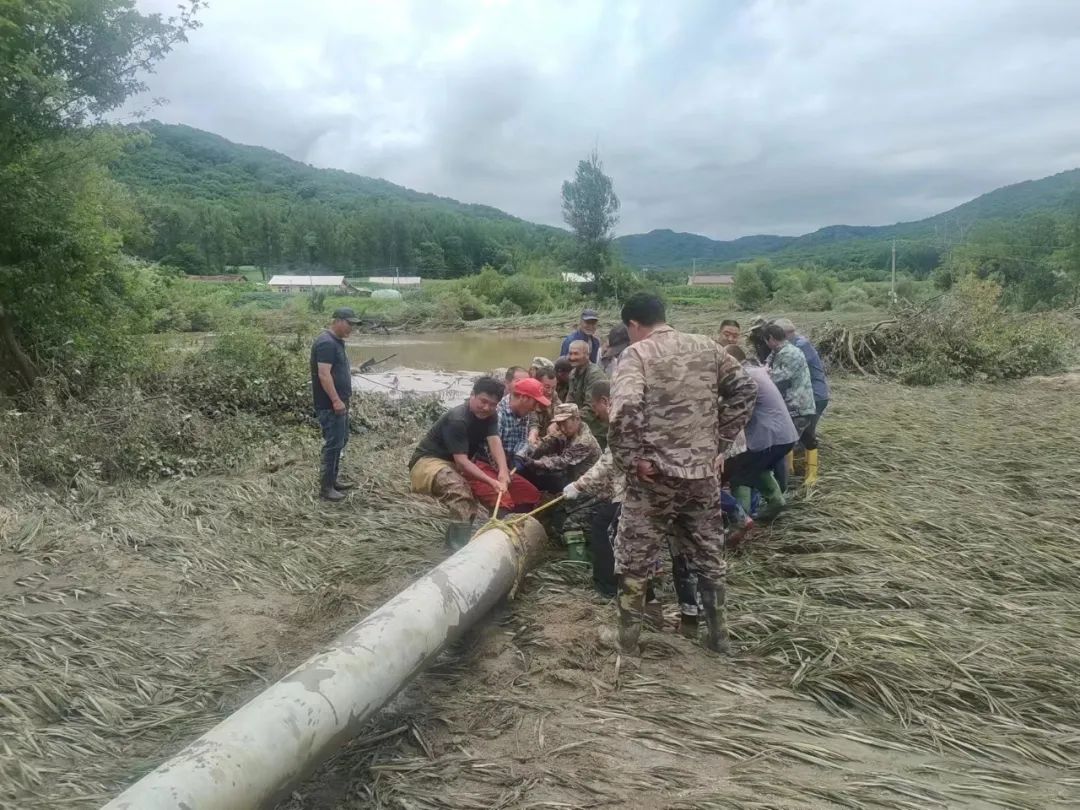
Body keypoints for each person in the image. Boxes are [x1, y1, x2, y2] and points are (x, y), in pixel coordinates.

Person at [608, 293, 757, 654]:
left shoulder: (636, 354)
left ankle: (627, 642)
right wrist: (718, 441)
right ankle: (718, 637)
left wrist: (631, 460)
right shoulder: (707, 346)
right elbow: (745, 389)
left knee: (634, 556)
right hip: (702, 475)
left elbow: (625, 408)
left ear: (633, 325)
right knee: (709, 555)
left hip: (654, 478)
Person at [408, 376, 507, 549]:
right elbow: (462, 463)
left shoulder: (491, 415)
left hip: (454, 462)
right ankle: (456, 549)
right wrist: (492, 481)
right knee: (461, 494)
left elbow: (494, 441)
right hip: (428, 462)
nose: (486, 408)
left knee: (472, 498)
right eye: (483, 401)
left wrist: (503, 471)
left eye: (493, 404)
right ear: (472, 395)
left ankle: (462, 540)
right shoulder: (458, 419)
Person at [723, 345, 799, 522]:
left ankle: (741, 521)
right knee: (758, 469)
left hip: (767, 437)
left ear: (731, 360)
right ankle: (776, 503)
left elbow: (734, 410)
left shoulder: (743, 377)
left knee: (739, 474)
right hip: (786, 435)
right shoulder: (756, 371)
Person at [563, 382, 620, 597]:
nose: (595, 414)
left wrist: (578, 485)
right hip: (622, 488)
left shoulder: (620, 421)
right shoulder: (629, 414)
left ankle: (607, 588)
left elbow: (608, 462)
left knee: (604, 529)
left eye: (595, 408)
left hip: (626, 490)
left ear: (605, 401)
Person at [311, 308, 363, 501]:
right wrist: (335, 400)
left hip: (340, 403)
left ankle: (333, 481)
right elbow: (324, 375)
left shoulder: (336, 342)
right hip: (330, 405)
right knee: (333, 444)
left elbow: (335, 368)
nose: (352, 328)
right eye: (350, 324)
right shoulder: (326, 343)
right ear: (338, 321)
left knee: (341, 441)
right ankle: (326, 489)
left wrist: (352, 371)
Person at [476, 376, 549, 511]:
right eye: (535, 402)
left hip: (505, 468)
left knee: (532, 495)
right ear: (524, 398)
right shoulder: (498, 412)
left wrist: (519, 456)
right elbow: (491, 448)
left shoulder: (524, 413)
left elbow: (523, 440)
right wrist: (503, 472)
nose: (535, 408)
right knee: (503, 500)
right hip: (484, 464)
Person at [773, 318, 828, 486]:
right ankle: (791, 468)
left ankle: (811, 475)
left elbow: (785, 374)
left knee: (806, 435)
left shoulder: (799, 347)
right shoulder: (794, 344)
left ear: (788, 333)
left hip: (814, 396)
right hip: (805, 395)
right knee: (795, 433)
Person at [764, 323, 817, 491]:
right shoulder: (778, 351)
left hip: (798, 406)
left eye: (766, 340)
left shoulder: (790, 353)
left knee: (785, 444)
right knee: (805, 439)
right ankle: (795, 474)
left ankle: (784, 486)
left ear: (771, 339)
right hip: (794, 406)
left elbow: (778, 378)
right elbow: (766, 366)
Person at [521, 403, 601, 493]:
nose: (562, 428)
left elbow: (562, 462)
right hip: (571, 475)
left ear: (577, 419)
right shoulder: (572, 430)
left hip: (586, 486)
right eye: (559, 424)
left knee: (540, 476)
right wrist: (534, 449)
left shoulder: (584, 441)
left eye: (565, 423)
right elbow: (551, 441)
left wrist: (536, 462)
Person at [566, 339, 608, 449]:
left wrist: (568, 422)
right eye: (570, 353)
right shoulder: (573, 374)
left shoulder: (594, 375)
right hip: (581, 424)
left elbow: (591, 409)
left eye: (576, 354)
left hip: (597, 430)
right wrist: (562, 418)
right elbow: (569, 402)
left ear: (587, 355)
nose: (572, 357)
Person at [532, 365, 560, 437]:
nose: (550, 391)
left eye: (554, 387)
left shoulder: (554, 395)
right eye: (547, 387)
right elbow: (533, 423)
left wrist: (556, 423)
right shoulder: (531, 398)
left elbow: (561, 411)